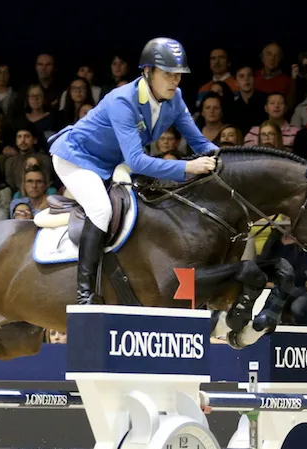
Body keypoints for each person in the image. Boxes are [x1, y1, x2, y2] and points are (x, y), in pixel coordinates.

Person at [48, 37, 219, 304]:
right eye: (168, 74)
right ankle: (84, 293)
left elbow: (200, 143)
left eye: (178, 75)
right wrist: (187, 167)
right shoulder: (122, 101)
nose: (174, 81)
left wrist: (224, 158)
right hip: (77, 158)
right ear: (148, 72)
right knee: (101, 210)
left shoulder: (175, 99)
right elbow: (138, 161)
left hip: (113, 162)